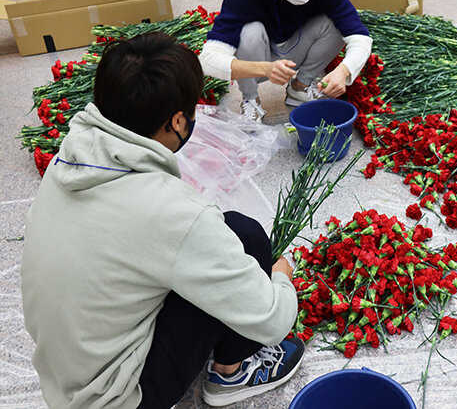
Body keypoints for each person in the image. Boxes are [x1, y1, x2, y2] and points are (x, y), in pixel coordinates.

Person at [21, 32, 302, 409]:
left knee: (219, 238)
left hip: (63, 380)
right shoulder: (174, 212)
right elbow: (272, 320)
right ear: (176, 122)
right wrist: (281, 276)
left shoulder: (66, 162)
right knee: (246, 237)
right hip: (121, 398)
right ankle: (231, 376)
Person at [199, 0, 372, 121]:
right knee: (248, 32)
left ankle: (300, 87)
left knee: (334, 24)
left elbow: (360, 37)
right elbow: (208, 58)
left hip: (294, 50)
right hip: (257, 60)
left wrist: (343, 71)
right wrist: (265, 69)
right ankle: (250, 100)